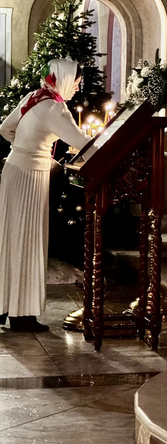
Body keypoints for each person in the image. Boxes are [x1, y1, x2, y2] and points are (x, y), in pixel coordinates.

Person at [0, 58, 93, 332]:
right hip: (30, 176)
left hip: (14, 170)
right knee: (29, 240)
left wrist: (25, 146)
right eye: (75, 82)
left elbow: (5, 128)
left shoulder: (34, 97)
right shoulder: (54, 107)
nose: (77, 87)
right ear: (63, 79)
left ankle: (4, 307)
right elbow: (83, 143)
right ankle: (23, 314)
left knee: (10, 239)